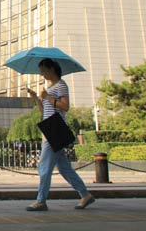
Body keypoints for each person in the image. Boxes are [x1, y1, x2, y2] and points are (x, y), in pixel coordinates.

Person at [25, 58, 95, 212]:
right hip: (49, 128)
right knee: (64, 168)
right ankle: (85, 194)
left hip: (55, 130)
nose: (42, 74)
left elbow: (65, 106)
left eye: (43, 70)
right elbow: (44, 111)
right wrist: (37, 98)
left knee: (44, 167)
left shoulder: (61, 85)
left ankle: (41, 200)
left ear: (52, 69)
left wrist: (48, 97)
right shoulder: (50, 88)